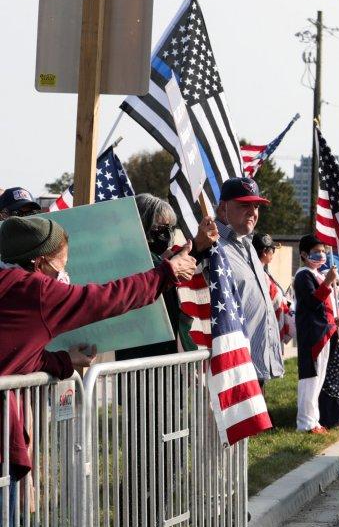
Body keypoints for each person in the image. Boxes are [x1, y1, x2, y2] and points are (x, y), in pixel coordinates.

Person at [0, 215, 197, 493]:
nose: (63, 273)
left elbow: (14, 355)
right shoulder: (35, 290)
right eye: (60, 264)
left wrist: (64, 361)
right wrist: (165, 273)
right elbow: (106, 299)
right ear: (39, 262)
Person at [116, 193, 218, 360]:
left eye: (169, 228)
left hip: (164, 355)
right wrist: (197, 245)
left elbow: (168, 266)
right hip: (140, 357)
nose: (166, 234)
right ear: (141, 225)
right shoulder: (129, 258)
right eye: (159, 227)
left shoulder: (158, 260)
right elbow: (158, 271)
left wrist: (199, 245)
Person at [214, 177, 283, 386]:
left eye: (256, 206)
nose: (253, 212)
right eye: (244, 205)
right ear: (223, 208)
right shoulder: (213, 247)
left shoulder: (249, 245)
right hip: (233, 368)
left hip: (257, 363)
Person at [293, 235, 339, 433]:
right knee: (310, 379)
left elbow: (328, 303)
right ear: (303, 254)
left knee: (319, 379)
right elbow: (312, 302)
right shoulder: (304, 275)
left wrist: (337, 318)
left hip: (326, 332)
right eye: (316, 251)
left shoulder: (317, 274)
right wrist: (327, 282)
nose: (321, 254)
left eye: (323, 251)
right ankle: (305, 423)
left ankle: (314, 420)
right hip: (313, 333)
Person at [253, 232, 295, 346]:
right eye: (272, 250)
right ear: (265, 252)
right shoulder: (260, 274)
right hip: (265, 330)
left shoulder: (261, 271)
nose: (273, 254)